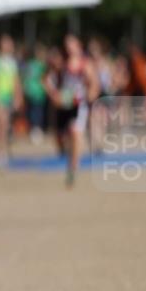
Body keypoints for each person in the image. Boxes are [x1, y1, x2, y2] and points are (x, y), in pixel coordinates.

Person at [43, 34, 99, 188]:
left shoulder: (85, 64)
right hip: (63, 104)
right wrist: (54, 94)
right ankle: (69, 157)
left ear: (78, 46)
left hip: (78, 104)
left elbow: (94, 84)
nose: (69, 49)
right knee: (61, 138)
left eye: (71, 45)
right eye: (66, 46)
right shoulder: (61, 63)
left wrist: (90, 95)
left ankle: (72, 169)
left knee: (75, 132)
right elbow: (45, 78)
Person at [0, 34, 23, 169]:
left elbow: (16, 80)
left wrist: (18, 96)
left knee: (5, 126)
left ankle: (2, 152)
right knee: (1, 125)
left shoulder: (12, 62)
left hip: (8, 97)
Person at [22, 43, 49, 142]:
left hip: (39, 93)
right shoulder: (35, 65)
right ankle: (35, 130)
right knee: (35, 112)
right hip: (34, 92)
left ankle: (37, 129)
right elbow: (27, 78)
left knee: (37, 111)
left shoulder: (41, 65)